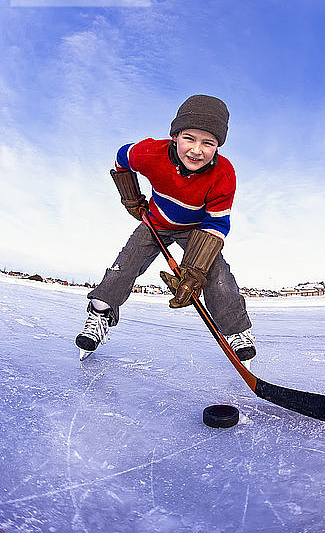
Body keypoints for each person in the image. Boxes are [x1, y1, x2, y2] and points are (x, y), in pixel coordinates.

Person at [75, 95, 256, 363]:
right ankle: (100, 313)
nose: (197, 150)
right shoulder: (149, 153)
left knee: (216, 274)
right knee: (125, 265)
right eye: (189, 138)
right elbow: (121, 158)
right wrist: (131, 197)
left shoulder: (224, 174)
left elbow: (216, 224)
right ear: (175, 136)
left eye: (208, 143)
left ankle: (237, 332)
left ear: (218, 146)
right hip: (155, 222)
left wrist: (195, 271)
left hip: (196, 231)